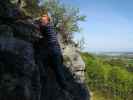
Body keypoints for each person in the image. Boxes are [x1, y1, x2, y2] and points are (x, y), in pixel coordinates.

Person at [37, 14, 67, 89]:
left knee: (38, 58)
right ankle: (64, 86)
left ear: (47, 21)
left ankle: (43, 76)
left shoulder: (47, 26)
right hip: (55, 50)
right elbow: (45, 36)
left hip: (52, 50)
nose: (42, 21)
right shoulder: (50, 27)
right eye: (41, 20)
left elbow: (37, 26)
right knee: (57, 69)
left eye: (43, 20)